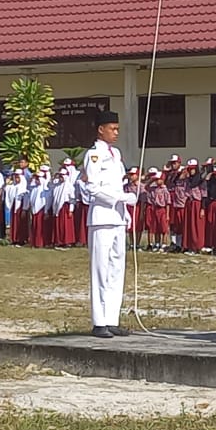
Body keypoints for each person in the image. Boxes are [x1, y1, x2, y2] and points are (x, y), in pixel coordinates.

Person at [81, 110, 137, 338]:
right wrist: (119, 199)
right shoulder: (94, 155)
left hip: (116, 218)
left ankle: (112, 318)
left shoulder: (116, 154)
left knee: (116, 268)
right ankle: (99, 321)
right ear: (100, 129)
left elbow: (117, 184)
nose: (116, 133)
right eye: (112, 128)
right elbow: (92, 188)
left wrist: (124, 210)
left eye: (117, 129)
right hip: (102, 217)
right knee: (100, 269)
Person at [143, 168, 170, 251]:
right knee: (156, 227)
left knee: (164, 228)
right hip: (155, 209)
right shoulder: (153, 189)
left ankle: (164, 244)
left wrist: (167, 214)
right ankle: (157, 243)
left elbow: (168, 203)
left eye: (158, 180)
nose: (157, 181)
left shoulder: (165, 190)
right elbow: (146, 187)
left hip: (162, 209)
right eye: (156, 180)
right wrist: (151, 180)